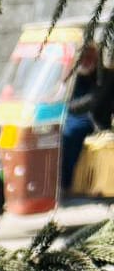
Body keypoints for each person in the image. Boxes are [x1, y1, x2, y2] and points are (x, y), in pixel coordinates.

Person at [60, 44, 100, 193]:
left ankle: (66, 182)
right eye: (83, 58)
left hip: (88, 118)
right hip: (68, 114)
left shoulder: (100, 76)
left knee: (70, 135)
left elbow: (93, 100)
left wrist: (68, 106)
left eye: (90, 58)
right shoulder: (74, 75)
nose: (86, 61)